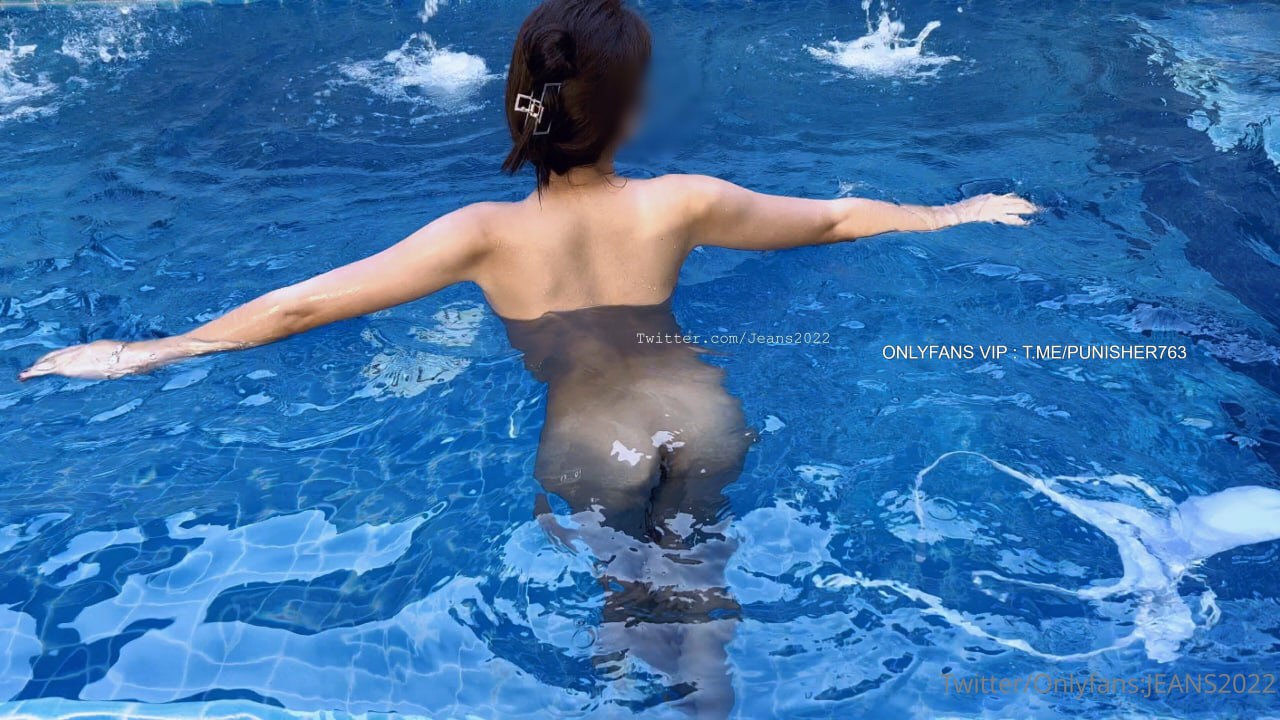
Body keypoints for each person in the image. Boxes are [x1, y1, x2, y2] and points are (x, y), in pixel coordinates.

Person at [18, 0, 1036, 715]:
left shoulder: (480, 235)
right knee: (700, 582)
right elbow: (832, 219)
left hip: (592, 437)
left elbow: (301, 306)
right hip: (701, 412)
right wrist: (955, 212)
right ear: (631, 111)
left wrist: (145, 352)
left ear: (520, 103)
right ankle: (712, 701)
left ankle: (626, 677)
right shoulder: (680, 202)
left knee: (627, 597)